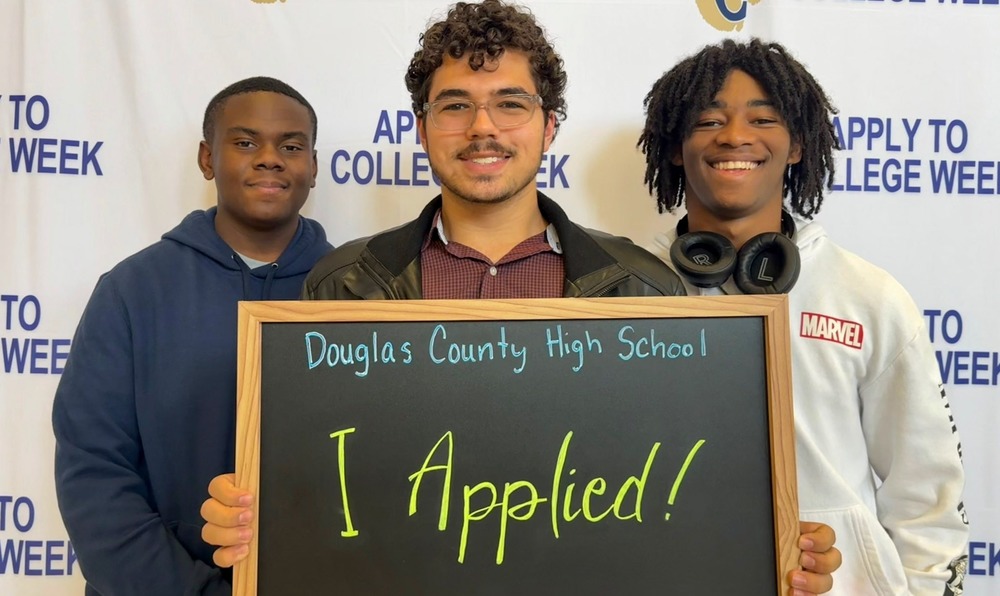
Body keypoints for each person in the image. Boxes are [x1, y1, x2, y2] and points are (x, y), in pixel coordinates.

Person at [200, 3, 841, 593]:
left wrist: (766, 545)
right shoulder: (341, 285)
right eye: (455, 107)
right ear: (422, 129)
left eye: (510, 104)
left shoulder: (647, 287)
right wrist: (255, 519)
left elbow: (688, 496)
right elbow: (313, 491)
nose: (483, 128)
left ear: (548, 125)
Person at [638, 38, 969, 596]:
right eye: (708, 120)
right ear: (674, 148)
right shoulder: (627, 288)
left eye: (763, 119)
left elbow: (927, 496)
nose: (735, 136)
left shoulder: (869, 297)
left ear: (796, 146)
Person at [52, 76, 333, 596]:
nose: (269, 158)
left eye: (291, 146)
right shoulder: (132, 290)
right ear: (207, 159)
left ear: (314, 167)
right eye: (245, 142)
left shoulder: (355, 292)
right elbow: (94, 471)